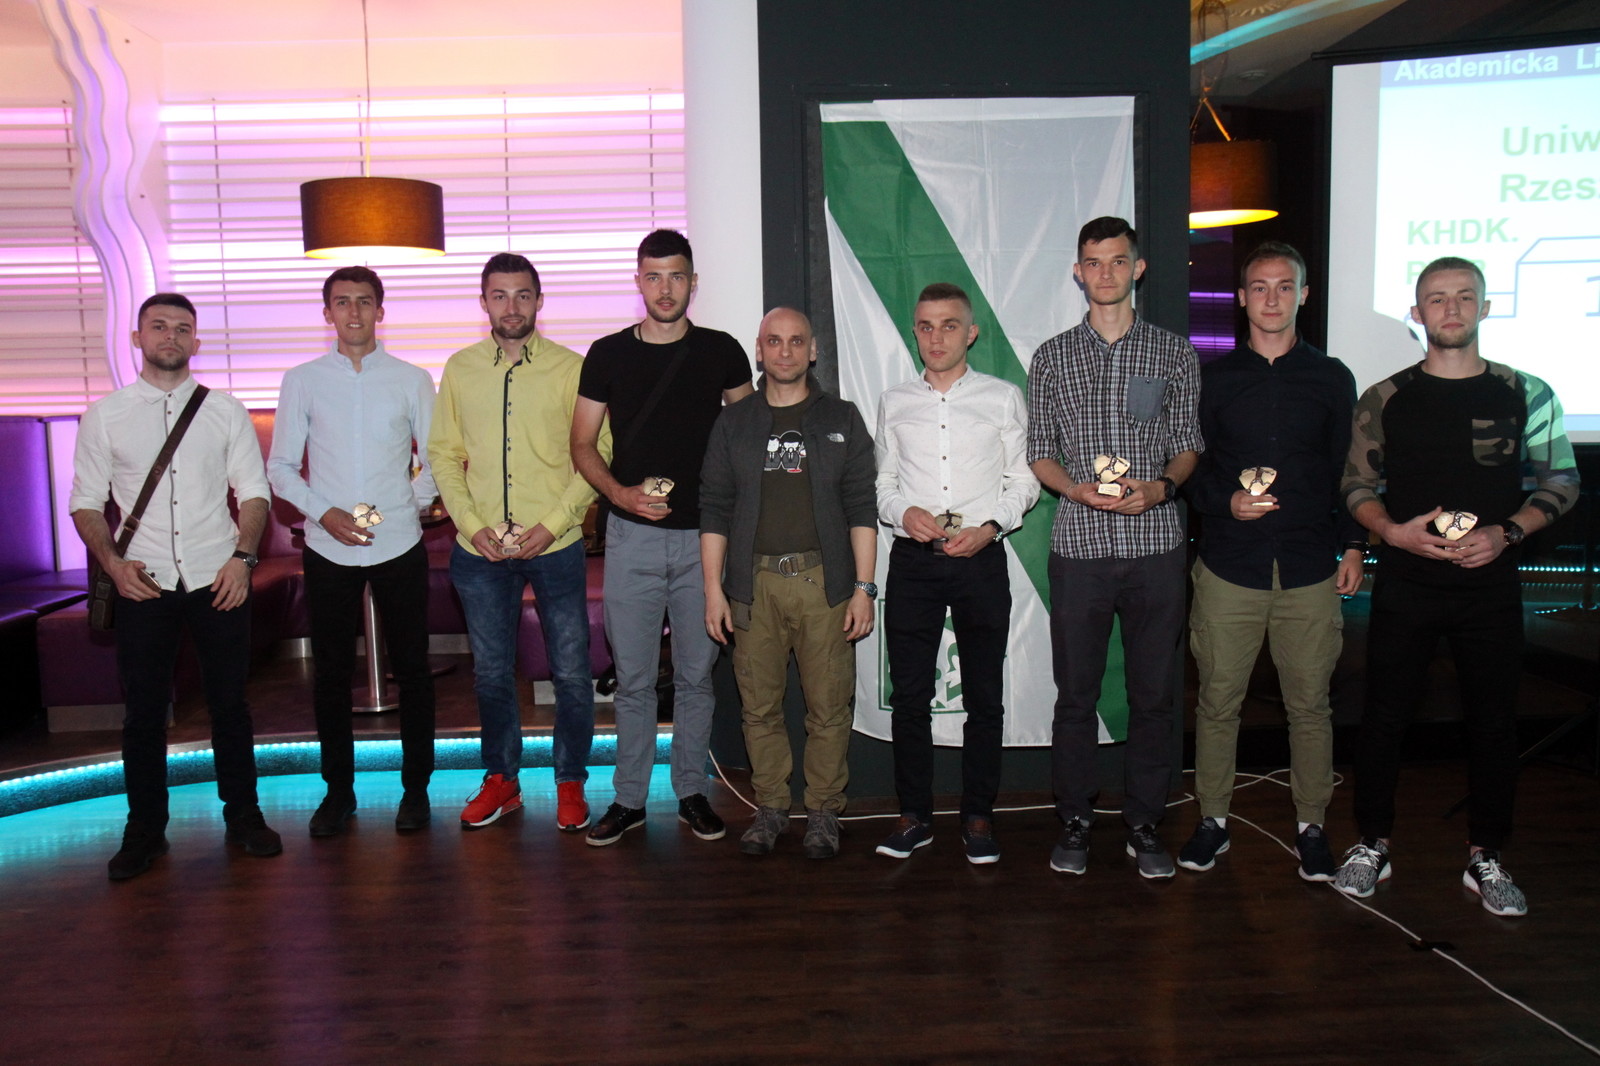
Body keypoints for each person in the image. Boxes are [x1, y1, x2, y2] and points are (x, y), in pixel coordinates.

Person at [1334, 256, 1579, 917]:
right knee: (1383, 720)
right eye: (1437, 299)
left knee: (1494, 726)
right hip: (1407, 583)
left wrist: (1509, 532)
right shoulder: (1386, 397)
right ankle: (1372, 844)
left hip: (1489, 587)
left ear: (1485, 308)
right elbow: (1354, 483)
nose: (1451, 309)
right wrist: (1392, 531)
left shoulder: (1527, 393)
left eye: (1464, 297)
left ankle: (1486, 855)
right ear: (1417, 314)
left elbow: (1562, 481)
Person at [71, 292, 281, 880]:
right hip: (143, 581)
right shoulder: (104, 416)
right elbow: (86, 503)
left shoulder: (226, 411)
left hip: (219, 575)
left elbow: (254, 492)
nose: (171, 336)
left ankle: (244, 816)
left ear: (196, 340)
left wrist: (243, 559)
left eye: (182, 328)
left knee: (230, 705)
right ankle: (144, 831)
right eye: (159, 326)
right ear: (137, 338)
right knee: (143, 712)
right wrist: (114, 565)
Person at [1177, 242, 1364, 880]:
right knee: (1217, 704)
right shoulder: (1213, 379)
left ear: (1304, 295)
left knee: (1310, 707)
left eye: (1285, 286)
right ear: (1241, 298)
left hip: (1310, 566)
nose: (1272, 298)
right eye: (1259, 287)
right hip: (1230, 565)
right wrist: (1225, 501)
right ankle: (1213, 820)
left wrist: (1355, 545)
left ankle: (1312, 825)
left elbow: (1350, 471)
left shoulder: (1333, 377)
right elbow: (1191, 471)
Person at [1025, 216, 1202, 880]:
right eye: (1093, 263)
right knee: (1075, 696)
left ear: (1138, 268)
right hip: (1079, 547)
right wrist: (1073, 488)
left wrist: (1160, 488)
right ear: (1078, 272)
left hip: (1156, 546)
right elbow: (1039, 451)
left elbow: (1188, 445)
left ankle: (1145, 823)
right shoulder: (1051, 357)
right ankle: (1074, 819)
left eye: (1117, 261)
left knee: (1154, 696)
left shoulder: (1173, 353)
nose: (1105, 273)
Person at [571, 229, 754, 846]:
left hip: (706, 540)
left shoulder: (722, 351)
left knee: (699, 678)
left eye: (676, 276)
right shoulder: (606, 354)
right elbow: (581, 444)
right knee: (634, 679)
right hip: (632, 537)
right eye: (653, 276)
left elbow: (748, 438)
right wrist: (619, 495)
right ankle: (629, 799)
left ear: (693, 283)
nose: (665, 288)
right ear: (638, 282)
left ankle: (691, 792)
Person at [429, 254, 607, 832]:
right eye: (500, 295)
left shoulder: (571, 369)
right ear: (483, 301)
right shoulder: (460, 369)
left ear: (539, 301)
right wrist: (471, 524)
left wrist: (552, 524)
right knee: (489, 674)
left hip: (554, 546)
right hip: (479, 550)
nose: (512, 306)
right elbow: (443, 455)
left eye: (523, 294)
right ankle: (502, 780)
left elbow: (597, 452)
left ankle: (570, 780)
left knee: (571, 672)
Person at [699, 308, 877, 859]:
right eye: (773, 341)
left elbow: (861, 506)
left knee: (829, 707)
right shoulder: (734, 422)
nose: (785, 351)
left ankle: (823, 811)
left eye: (796, 341)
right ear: (759, 350)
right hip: (753, 585)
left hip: (825, 583)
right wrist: (713, 589)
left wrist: (864, 588)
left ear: (813, 350)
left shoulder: (842, 418)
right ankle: (772, 808)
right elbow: (714, 508)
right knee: (759, 707)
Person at [268, 266, 439, 836]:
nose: (354, 312)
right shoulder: (303, 381)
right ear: (327, 314)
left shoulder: (412, 379)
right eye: (342, 302)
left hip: (399, 542)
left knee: (413, 670)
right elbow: (281, 468)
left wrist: (406, 506)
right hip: (328, 545)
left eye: (365, 302)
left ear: (380, 311)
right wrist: (325, 513)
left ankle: (416, 791)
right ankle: (338, 792)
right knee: (331, 674)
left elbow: (437, 460)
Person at [873, 283, 1039, 865]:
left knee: (985, 698)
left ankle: (978, 816)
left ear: (970, 333)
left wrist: (991, 527)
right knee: (909, 698)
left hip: (981, 560)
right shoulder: (894, 401)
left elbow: (1024, 481)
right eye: (925, 326)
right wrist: (903, 513)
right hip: (913, 563)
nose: (936, 337)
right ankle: (914, 816)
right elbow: (883, 484)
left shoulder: (1002, 397)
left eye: (949, 325)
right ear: (914, 332)